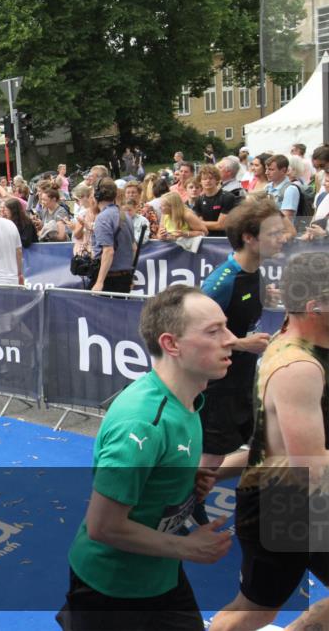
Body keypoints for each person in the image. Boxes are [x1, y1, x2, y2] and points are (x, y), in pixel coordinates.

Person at [58, 284, 236, 631]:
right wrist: (191, 548)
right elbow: (103, 526)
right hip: (112, 590)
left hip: (160, 575)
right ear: (171, 344)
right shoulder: (142, 422)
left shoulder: (188, 397)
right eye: (214, 331)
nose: (230, 339)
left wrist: (186, 481)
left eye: (226, 327)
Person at [210, 250, 329, 631]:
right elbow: (309, 465)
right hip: (284, 506)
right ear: (315, 307)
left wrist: (217, 472)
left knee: (258, 607)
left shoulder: (300, 343)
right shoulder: (297, 366)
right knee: (255, 609)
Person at [190, 199, 286, 525]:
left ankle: (206, 489)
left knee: (269, 444)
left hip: (245, 380)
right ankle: (189, 502)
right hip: (219, 385)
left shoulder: (254, 273)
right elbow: (192, 330)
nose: (282, 239)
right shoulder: (222, 280)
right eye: (274, 233)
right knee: (212, 455)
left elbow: (241, 311)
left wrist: (265, 297)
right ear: (249, 237)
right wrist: (243, 344)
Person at [90, 179, 136, 294]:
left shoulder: (102, 218)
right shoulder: (125, 215)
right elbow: (134, 248)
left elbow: (108, 251)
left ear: (97, 195)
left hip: (109, 279)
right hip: (124, 277)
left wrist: (99, 282)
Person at [193, 164, 239, 237]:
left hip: (225, 240)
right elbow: (199, 226)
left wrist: (199, 223)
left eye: (211, 178)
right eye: (204, 179)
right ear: (200, 181)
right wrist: (198, 224)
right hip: (206, 239)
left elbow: (221, 225)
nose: (208, 181)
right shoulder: (199, 200)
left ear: (217, 179)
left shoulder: (228, 197)